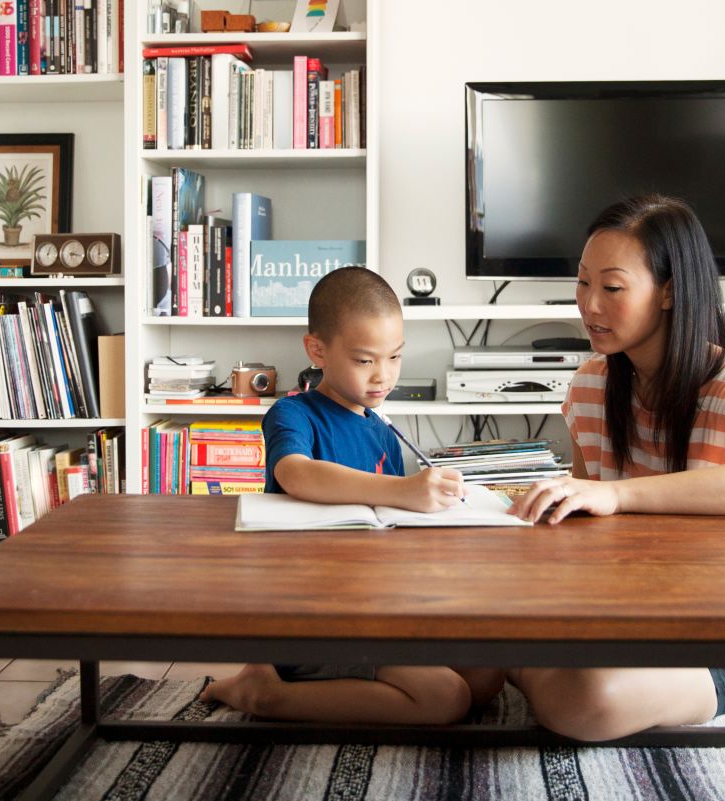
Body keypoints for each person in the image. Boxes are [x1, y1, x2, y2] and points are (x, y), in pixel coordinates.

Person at [506, 194, 725, 741]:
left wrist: (621, 495)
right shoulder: (592, 383)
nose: (589, 305)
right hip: (618, 615)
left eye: (613, 288)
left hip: (724, 635)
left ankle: (519, 668)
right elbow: (581, 517)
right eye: (582, 283)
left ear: (669, 291)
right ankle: (525, 664)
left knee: (589, 702)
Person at [201, 266, 500, 724]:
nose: (384, 375)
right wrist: (403, 490)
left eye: (395, 357)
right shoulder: (293, 413)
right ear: (317, 350)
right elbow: (297, 474)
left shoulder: (380, 430)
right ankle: (264, 694)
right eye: (365, 360)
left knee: (485, 678)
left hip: (376, 608)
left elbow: (388, 525)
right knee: (445, 699)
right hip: (313, 618)